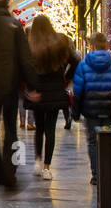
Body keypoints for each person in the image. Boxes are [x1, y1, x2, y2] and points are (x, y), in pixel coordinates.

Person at [0, 0, 37, 190]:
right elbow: (25, 59)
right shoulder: (16, 25)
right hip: (10, 85)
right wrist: (31, 85)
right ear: (8, 4)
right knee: (11, 129)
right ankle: (10, 172)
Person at [24, 15, 76, 181]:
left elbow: (25, 68)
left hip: (38, 92)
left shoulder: (31, 45)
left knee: (39, 128)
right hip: (55, 90)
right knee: (50, 129)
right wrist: (66, 78)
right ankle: (47, 167)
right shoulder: (60, 42)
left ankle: (38, 161)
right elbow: (75, 61)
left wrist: (29, 87)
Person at [73, 32, 111, 185]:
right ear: (106, 44)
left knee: (93, 141)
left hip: (91, 109)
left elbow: (78, 91)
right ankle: (108, 171)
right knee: (107, 140)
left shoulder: (83, 65)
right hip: (108, 108)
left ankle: (96, 174)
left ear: (91, 46)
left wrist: (76, 112)